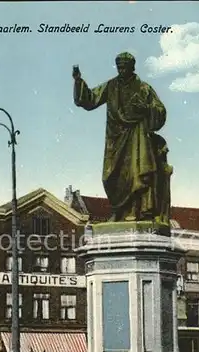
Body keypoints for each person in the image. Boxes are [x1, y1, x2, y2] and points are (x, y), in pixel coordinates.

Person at [73, 52, 167, 223]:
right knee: (111, 176)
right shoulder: (111, 86)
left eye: (125, 67)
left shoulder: (143, 88)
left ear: (133, 67)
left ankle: (132, 212)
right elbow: (91, 99)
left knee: (135, 174)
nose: (121, 70)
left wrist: (147, 109)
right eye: (119, 67)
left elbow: (160, 110)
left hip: (137, 139)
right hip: (115, 139)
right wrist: (79, 81)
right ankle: (118, 211)